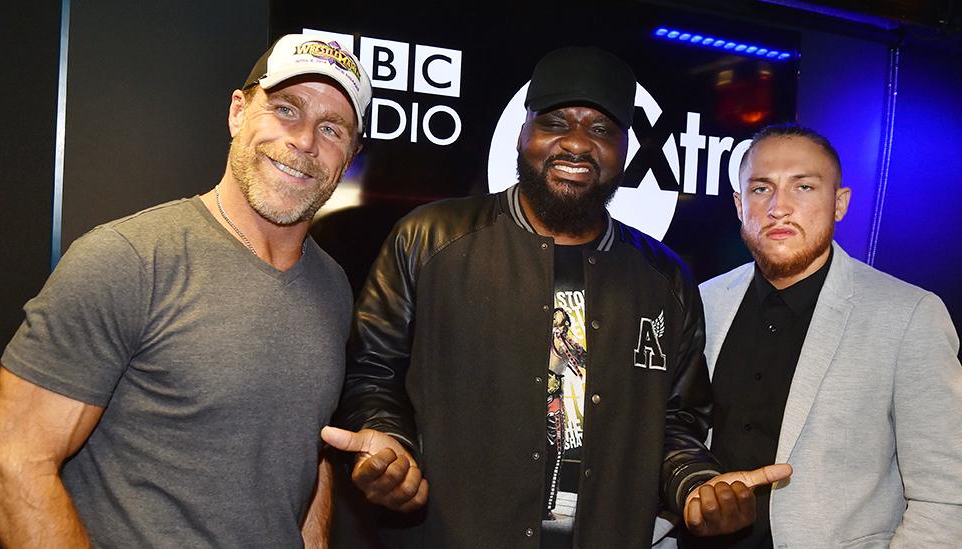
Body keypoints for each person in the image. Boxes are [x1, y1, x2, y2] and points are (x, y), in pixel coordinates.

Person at [321, 46, 790, 548]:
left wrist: (695, 484)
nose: (576, 144)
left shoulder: (666, 279)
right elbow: (373, 373)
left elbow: (677, 422)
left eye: (602, 129)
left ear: (627, 151)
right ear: (523, 135)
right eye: (555, 122)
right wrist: (391, 447)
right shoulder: (430, 238)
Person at [0, 34, 371, 547]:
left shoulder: (334, 287)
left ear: (349, 155)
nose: (304, 141)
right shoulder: (128, 259)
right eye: (285, 109)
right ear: (238, 112)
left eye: (331, 128)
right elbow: (8, 464)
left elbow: (306, 450)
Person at [684, 124, 962, 548]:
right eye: (761, 189)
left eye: (804, 187)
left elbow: (945, 496)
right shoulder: (703, 302)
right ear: (740, 205)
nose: (779, 207)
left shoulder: (909, 316)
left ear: (839, 204)